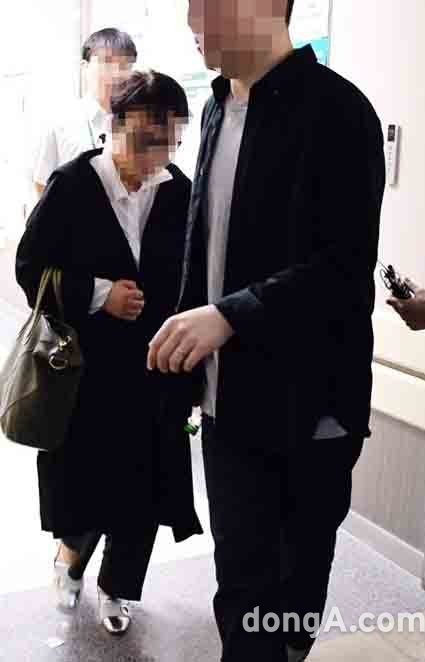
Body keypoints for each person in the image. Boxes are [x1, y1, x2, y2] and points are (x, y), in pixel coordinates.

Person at [147, 1, 385, 660]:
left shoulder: (337, 111)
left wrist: (229, 315)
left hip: (309, 411)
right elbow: (207, 247)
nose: (192, 18)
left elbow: (342, 269)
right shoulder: (216, 107)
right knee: (239, 585)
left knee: (292, 590)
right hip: (227, 406)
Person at [16, 70, 202, 636]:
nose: (157, 156)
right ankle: (71, 557)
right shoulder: (73, 184)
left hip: (155, 370)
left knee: (143, 493)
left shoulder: (178, 192)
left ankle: (118, 587)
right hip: (85, 374)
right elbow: (29, 268)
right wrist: (100, 294)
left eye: (170, 142)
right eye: (146, 140)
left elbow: (195, 278)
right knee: (86, 488)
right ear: (114, 126)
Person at [33, 27, 138, 197]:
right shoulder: (61, 122)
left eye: (125, 65)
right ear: (85, 66)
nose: (116, 73)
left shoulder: (140, 122)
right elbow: (42, 183)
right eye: (107, 62)